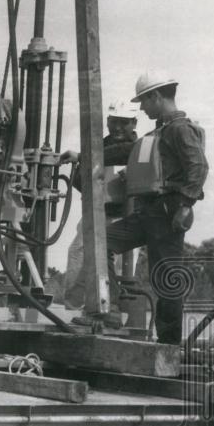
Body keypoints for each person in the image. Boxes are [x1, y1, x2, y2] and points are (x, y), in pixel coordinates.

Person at [63, 71, 208, 343]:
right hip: (149, 213)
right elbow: (123, 152)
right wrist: (82, 156)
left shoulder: (180, 129)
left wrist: (186, 205)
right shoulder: (160, 132)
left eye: (144, 101)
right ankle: (111, 309)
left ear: (156, 96)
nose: (141, 107)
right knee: (99, 243)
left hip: (169, 212)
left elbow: (198, 166)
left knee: (166, 280)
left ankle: (168, 347)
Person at [62, 101, 139, 314]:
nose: (117, 128)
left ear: (134, 123)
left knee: (117, 267)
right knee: (77, 254)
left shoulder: (138, 149)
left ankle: (112, 312)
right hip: (95, 212)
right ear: (106, 121)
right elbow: (79, 179)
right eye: (114, 122)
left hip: (124, 217)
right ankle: (72, 311)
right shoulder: (98, 146)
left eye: (123, 123)